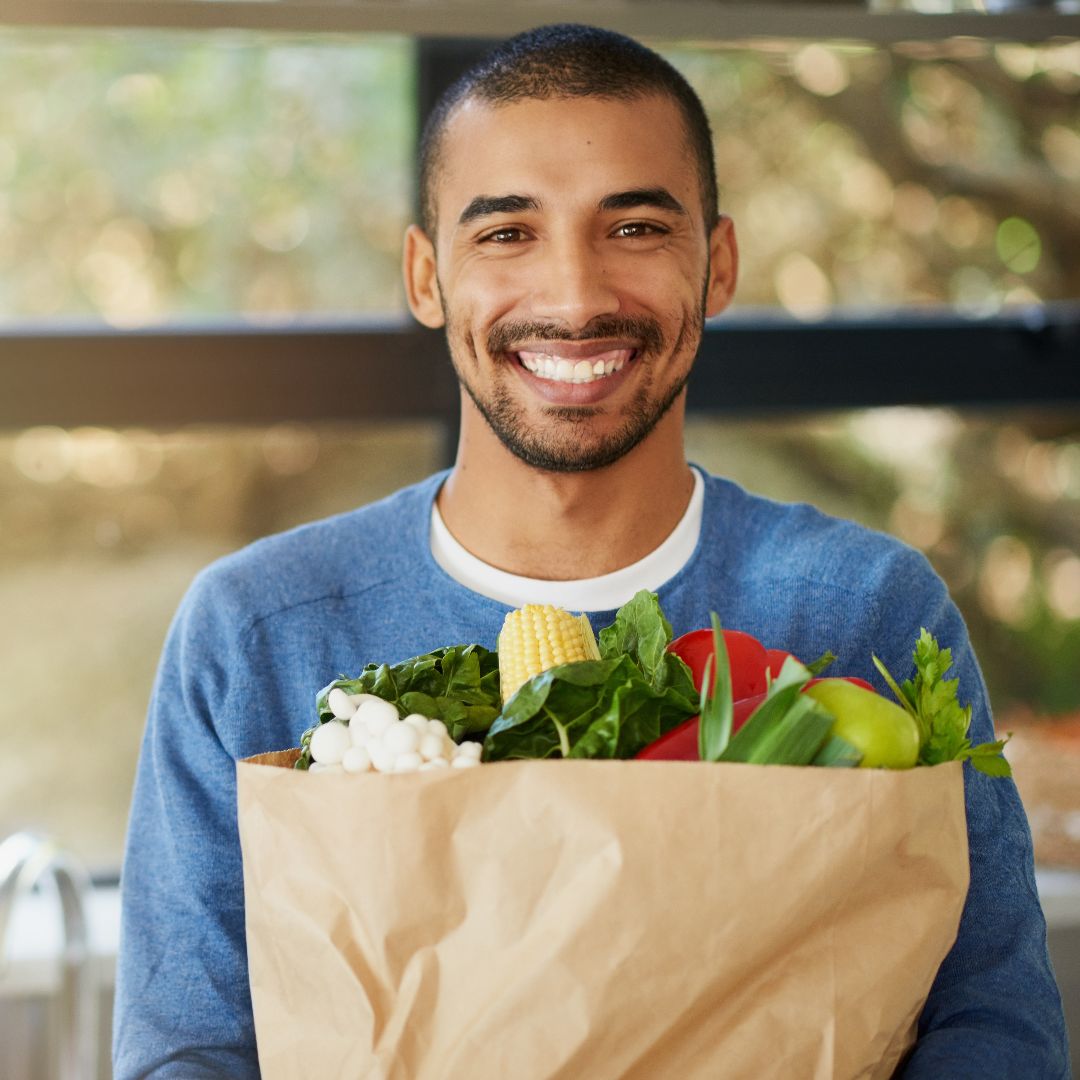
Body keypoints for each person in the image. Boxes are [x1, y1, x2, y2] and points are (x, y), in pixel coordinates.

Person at [112, 23, 1069, 1078]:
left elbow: (997, 1028)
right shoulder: (256, 631)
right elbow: (188, 1050)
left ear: (720, 266)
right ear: (427, 278)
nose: (573, 299)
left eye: (637, 228)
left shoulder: (864, 609)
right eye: (507, 234)